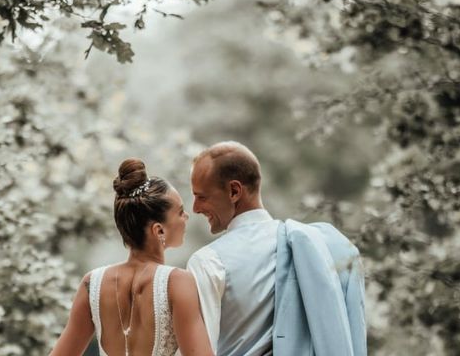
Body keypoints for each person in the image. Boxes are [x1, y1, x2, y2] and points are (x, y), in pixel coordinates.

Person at [187, 141, 366, 356]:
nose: (195, 208)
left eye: (201, 197)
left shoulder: (208, 261)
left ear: (234, 191)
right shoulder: (321, 249)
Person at [50, 158, 215, 356]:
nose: (187, 216)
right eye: (180, 212)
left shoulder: (91, 284)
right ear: (159, 230)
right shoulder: (177, 283)